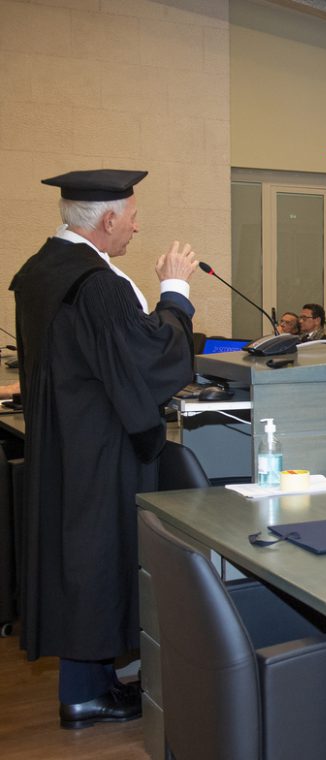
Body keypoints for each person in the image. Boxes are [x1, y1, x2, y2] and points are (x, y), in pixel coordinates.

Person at [10, 169, 198, 728]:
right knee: (97, 557)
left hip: (63, 437)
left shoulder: (42, 271)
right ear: (109, 219)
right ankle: (86, 696)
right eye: (133, 217)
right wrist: (176, 294)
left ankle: (90, 684)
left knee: (78, 557)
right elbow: (148, 360)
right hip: (99, 446)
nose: (137, 228)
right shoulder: (97, 284)